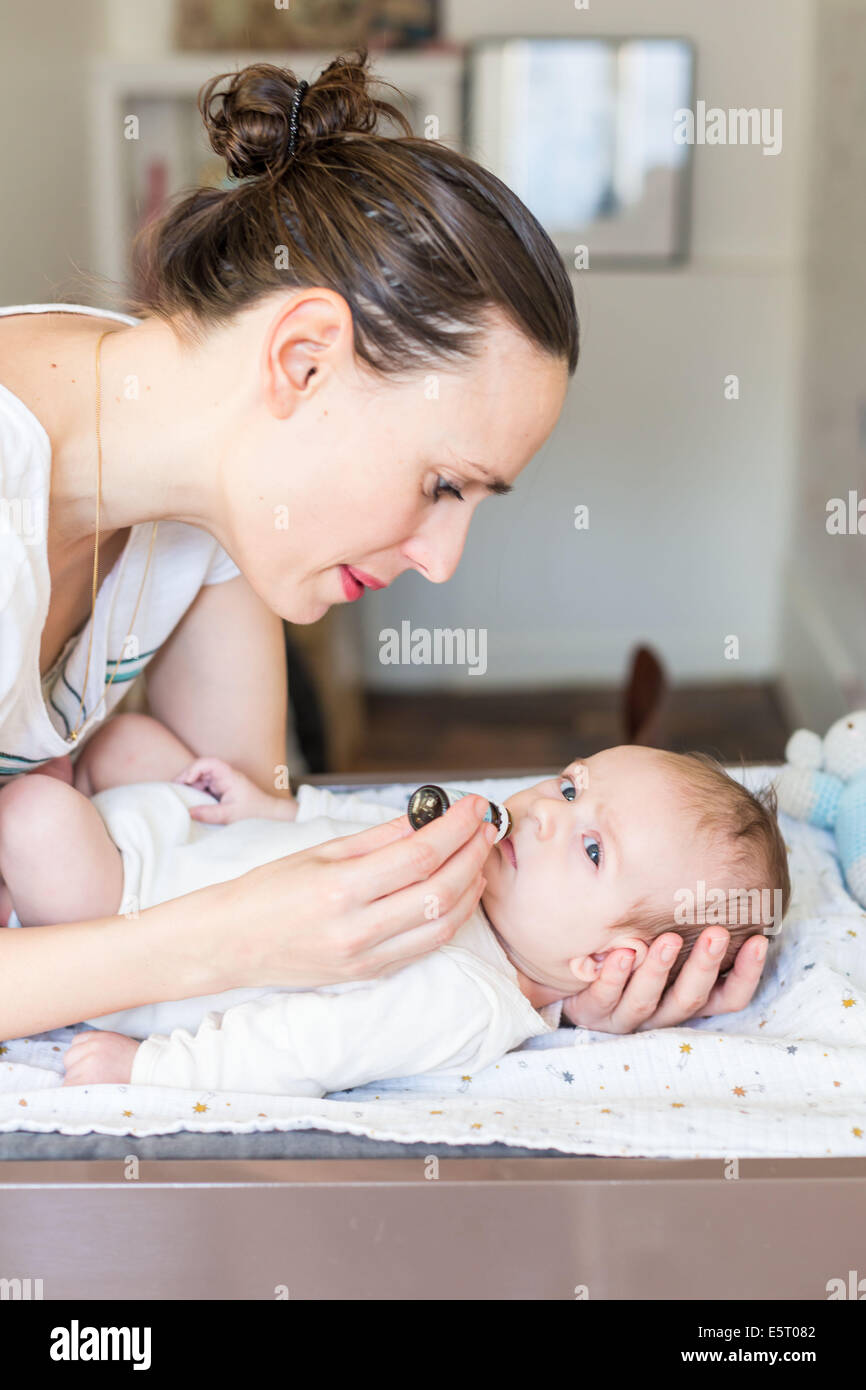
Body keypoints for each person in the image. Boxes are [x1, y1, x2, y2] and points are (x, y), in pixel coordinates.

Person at [0, 51, 766, 1043]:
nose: (443, 557)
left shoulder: (208, 482)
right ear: (303, 359)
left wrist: (541, 979)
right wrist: (210, 942)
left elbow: (228, 827)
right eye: (442, 483)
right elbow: (232, 926)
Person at [23, 726, 786, 1092]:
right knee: (126, 744)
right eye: (570, 784)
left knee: (34, 817)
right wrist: (278, 811)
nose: (547, 812)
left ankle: (27, 897)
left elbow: (304, 1046)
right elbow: (374, 821)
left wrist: (152, 1070)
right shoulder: (488, 865)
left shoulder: (459, 995)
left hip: (135, 921)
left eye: (591, 850)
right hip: (191, 843)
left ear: (603, 963)